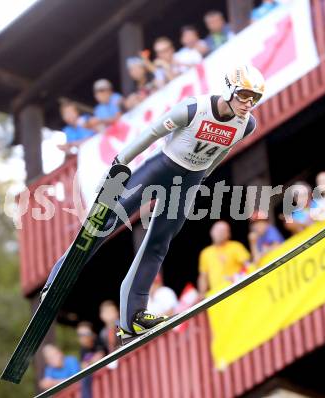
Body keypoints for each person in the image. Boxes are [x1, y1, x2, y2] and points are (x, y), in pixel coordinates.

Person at [43, 64, 266, 344]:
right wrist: (120, 162)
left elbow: (222, 150)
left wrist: (203, 176)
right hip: (162, 168)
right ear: (229, 89)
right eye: (245, 95)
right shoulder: (192, 109)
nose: (248, 104)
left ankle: (133, 318)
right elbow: (150, 133)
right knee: (109, 219)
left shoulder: (247, 124)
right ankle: (58, 279)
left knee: (159, 242)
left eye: (254, 98)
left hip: (189, 181)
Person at [198, 220, 251, 297]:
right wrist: (202, 294)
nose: (220, 233)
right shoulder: (205, 253)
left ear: (229, 234)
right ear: (211, 232)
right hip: (216, 296)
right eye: (217, 230)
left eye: (223, 230)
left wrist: (237, 277)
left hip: (237, 291)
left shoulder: (236, 246)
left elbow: (248, 266)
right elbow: (203, 276)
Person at [76, 322, 105, 398]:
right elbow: (82, 366)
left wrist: (88, 363)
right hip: (94, 381)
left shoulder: (98, 341)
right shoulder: (83, 350)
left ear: (92, 334)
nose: (82, 337)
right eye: (80, 335)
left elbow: (99, 357)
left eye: (85, 334)